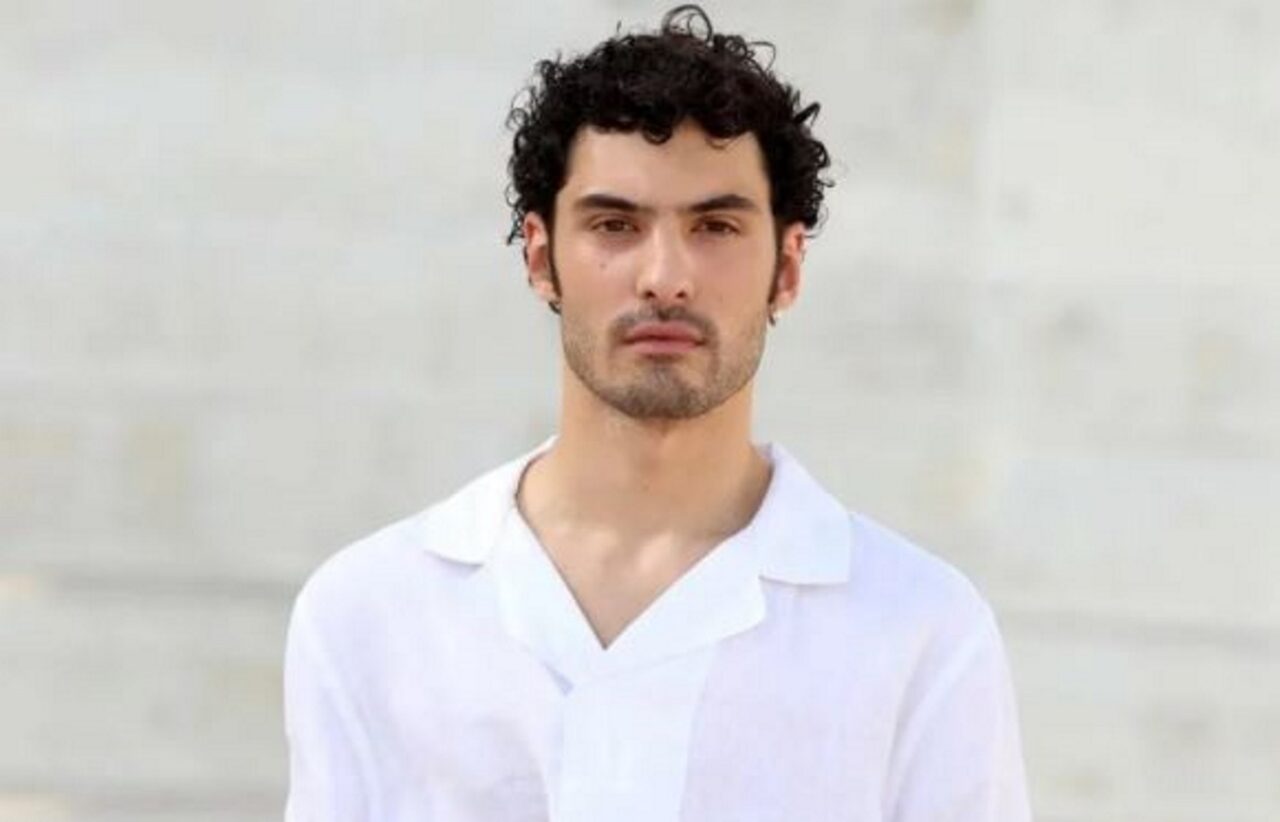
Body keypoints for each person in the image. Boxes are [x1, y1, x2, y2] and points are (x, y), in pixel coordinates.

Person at [283, 5, 1032, 821]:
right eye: (615, 225)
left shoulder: (922, 632)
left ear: (787, 267)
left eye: (715, 226)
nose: (665, 276)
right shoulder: (372, 612)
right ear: (541, 256)